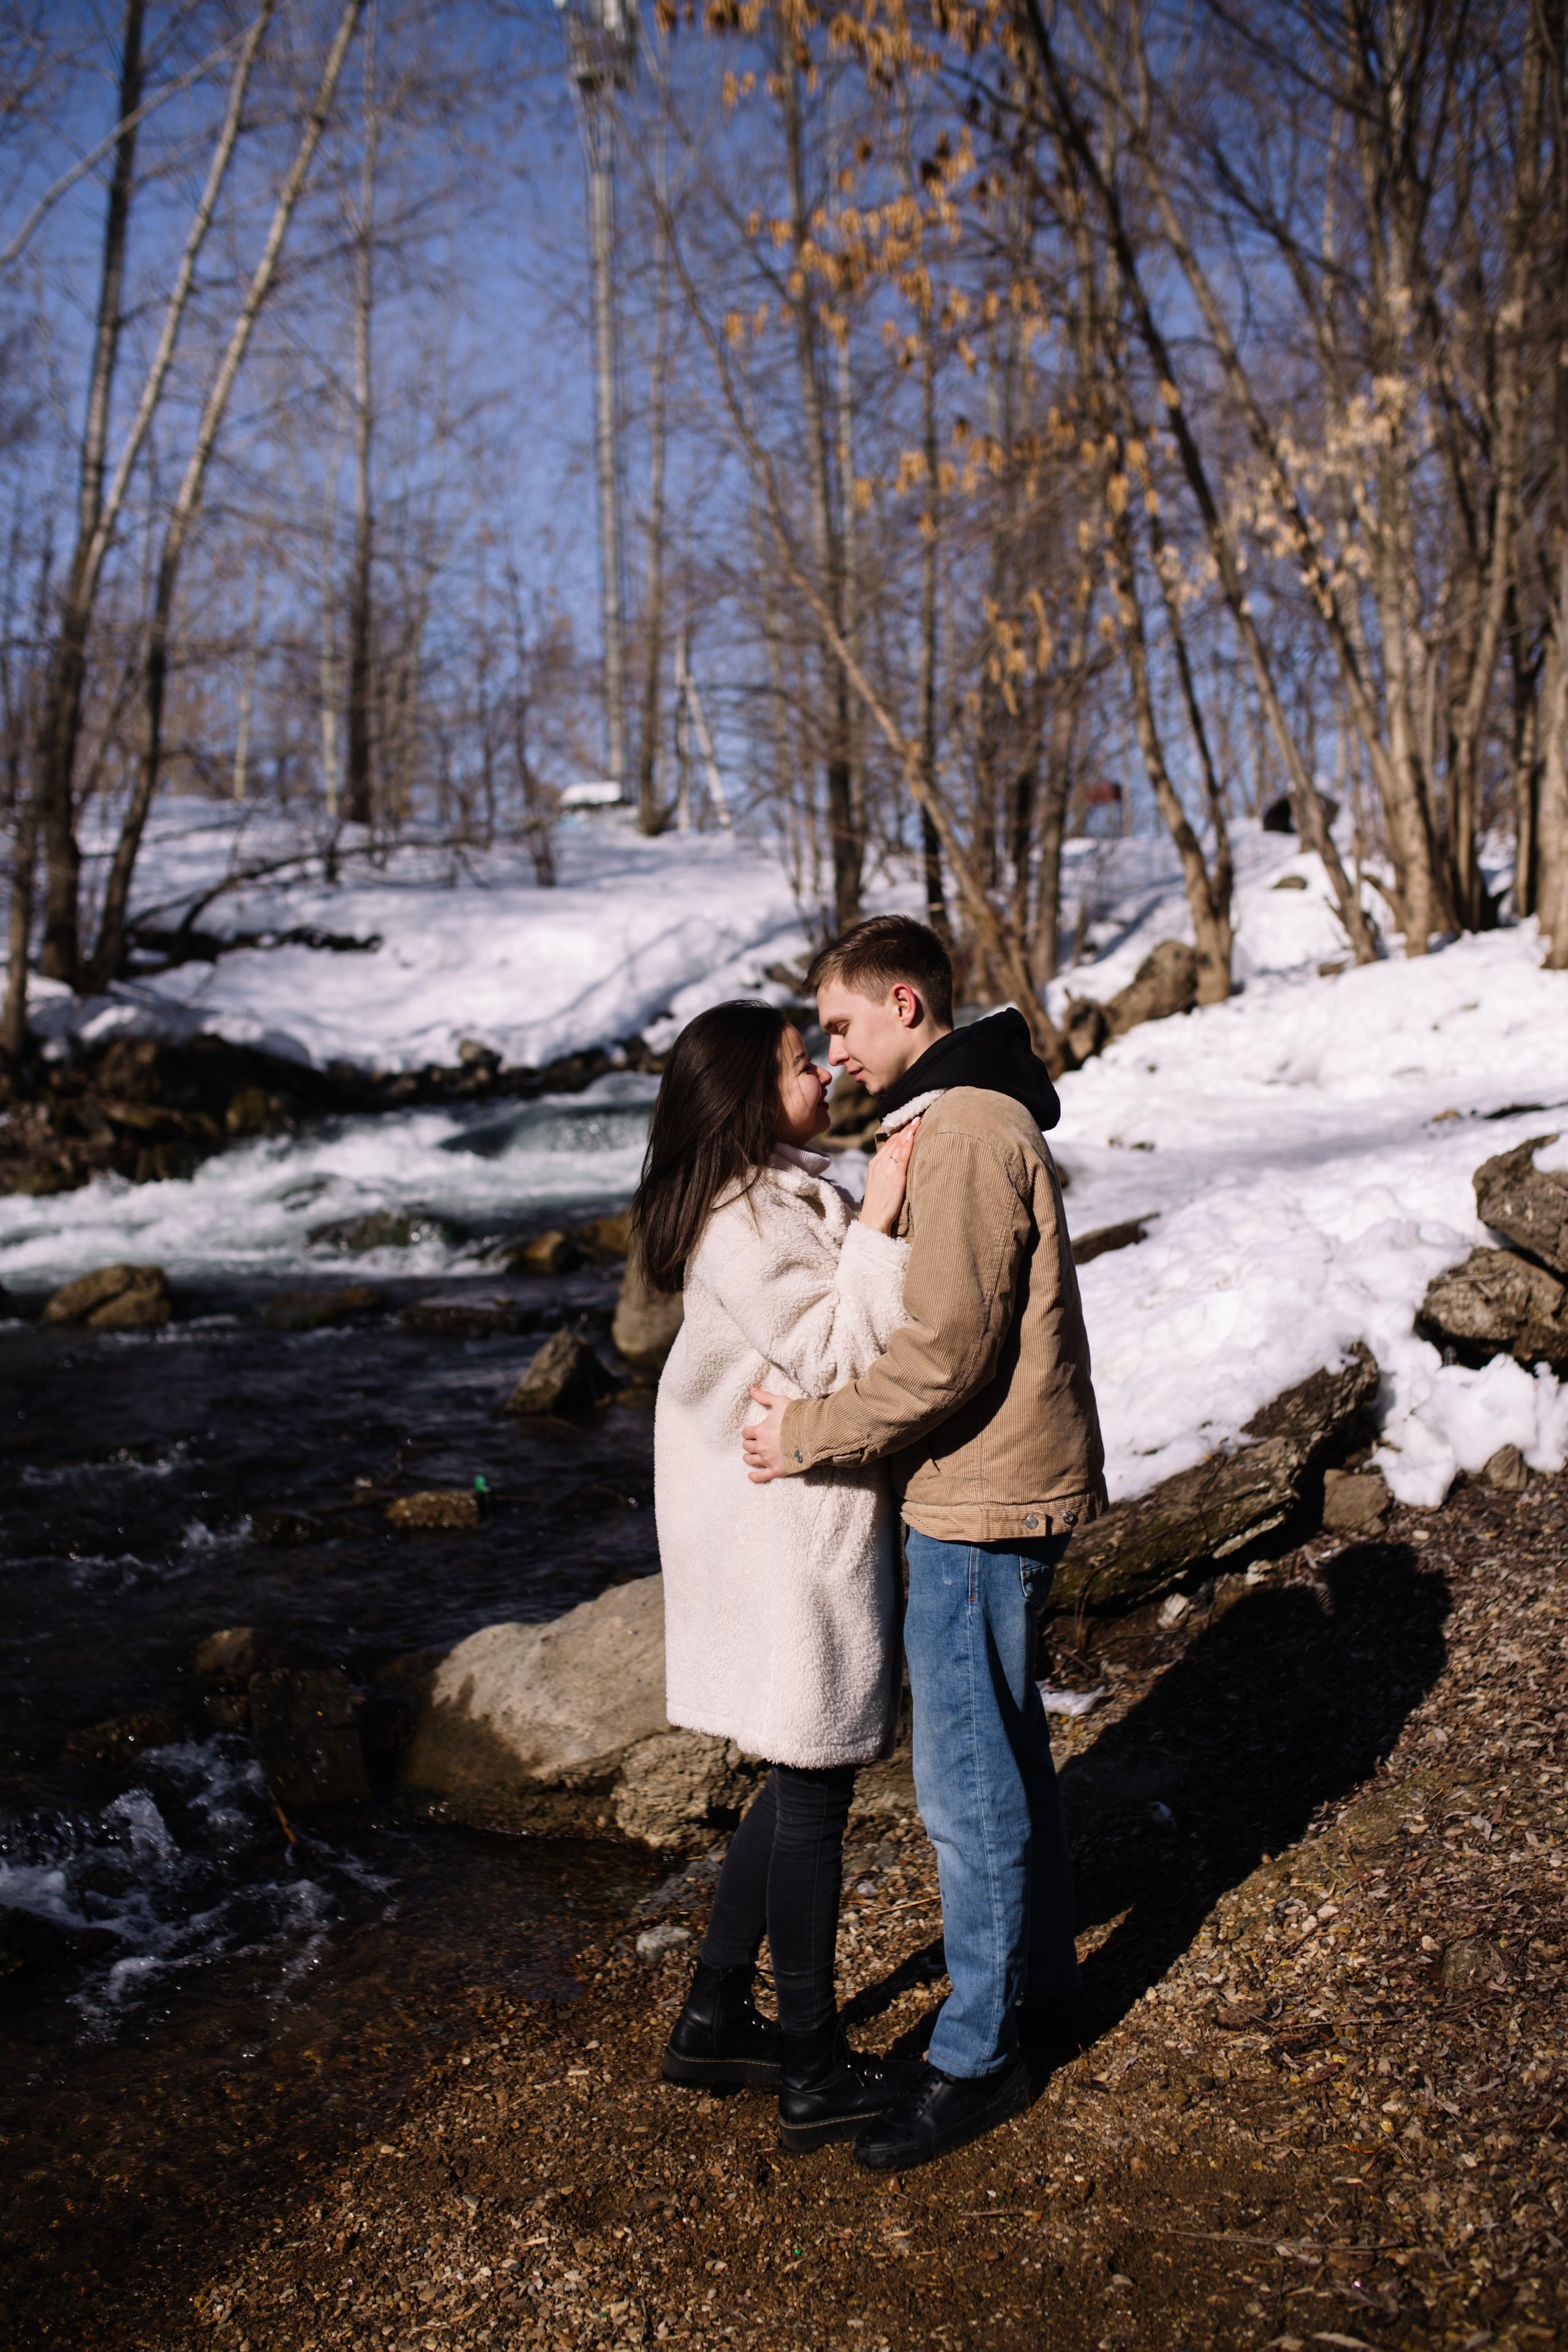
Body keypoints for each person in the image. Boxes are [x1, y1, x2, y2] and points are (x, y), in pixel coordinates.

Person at [741, 913, 1106, 2173]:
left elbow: (944, 1352)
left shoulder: (955, 1131)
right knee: (1003, 1749)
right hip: (1001, 1482)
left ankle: (975, 2058)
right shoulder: (978, 1115)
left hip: (975, 1494)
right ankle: (1041, 1991)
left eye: (838, 1026)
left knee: (965, 1782)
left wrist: (808, 1434)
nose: (832, 1055)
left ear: (904, 1005)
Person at [633, 998, 924, 2154]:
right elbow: (842, 1350)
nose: (826, 1077)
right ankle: (810, 2066)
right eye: (805, 1066)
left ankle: (711, 2016)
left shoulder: (777, 1192)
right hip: (786, 1537)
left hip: (789, 1521)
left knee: (802, 1777)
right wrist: (885, 1218)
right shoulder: (745, 1223)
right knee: (814, 1789)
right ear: (751, 1095)